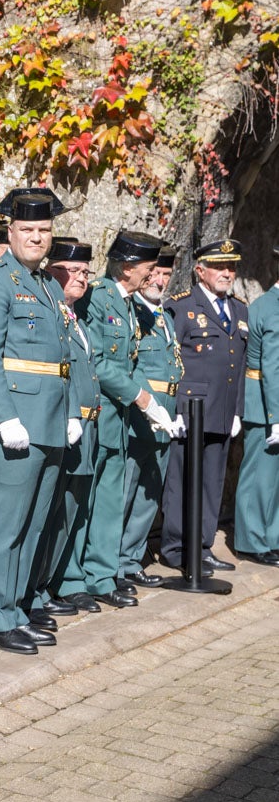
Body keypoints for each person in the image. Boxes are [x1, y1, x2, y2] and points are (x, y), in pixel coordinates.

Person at [0, 191, 76, 655]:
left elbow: (62, 356)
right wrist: (3, 417)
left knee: (32, 524)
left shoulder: (47, 285)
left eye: (44, 230)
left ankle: (15, 609)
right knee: (5, 524)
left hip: (47, 419)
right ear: (9, 232)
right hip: (12, 423)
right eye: (28, 230)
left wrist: (70, 413)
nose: (37, 237)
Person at [75, 230, 167, 608]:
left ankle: (101, 575)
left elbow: (129, 361)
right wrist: (143, 398)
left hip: (118, 420)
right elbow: (98, 361)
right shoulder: (98, 296)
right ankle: (79, 578)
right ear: (127, 267)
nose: (152, 275)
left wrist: (153, 403)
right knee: (88, 502)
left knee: (110, 501)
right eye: (147, 268)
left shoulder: (127, 302)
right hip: (97, 415)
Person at [160, 239, 249, 572]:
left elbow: (239, 366)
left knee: (212, 482)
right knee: (183, 481)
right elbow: (169, 359)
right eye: (220, 267)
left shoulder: (240, 309)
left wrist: (237, 409)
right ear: (200, 270)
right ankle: (175, 547)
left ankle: (203, 545)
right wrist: (174, 408)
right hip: (191, 410)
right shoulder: (181, 306)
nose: (227, 273)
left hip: (223, 410)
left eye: (232, 267)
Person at [33, 239, 101, 616]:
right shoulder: (50, 315)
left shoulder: (77, 317)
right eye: (71, 271)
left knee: (69, 512)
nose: (81, 279)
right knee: (49, 512)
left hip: (85, 426)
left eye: (85, 273)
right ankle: (34, 590)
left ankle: (47, 585)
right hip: (59, 424)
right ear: (51, 272)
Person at [117, 247, 184, 589]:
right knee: (127, 490)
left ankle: (131, 559)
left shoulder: (166, 316)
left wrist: (177, 409)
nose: (159, 280)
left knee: (149, 493)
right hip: (141, 413)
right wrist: (149, 405)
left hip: (166, 412)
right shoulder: (132, 312)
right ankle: (113, 562)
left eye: (166, 275)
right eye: (155, 273)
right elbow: (130, 366)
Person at [233, 245, 279, 566]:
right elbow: (273, 368)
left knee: (272, 479)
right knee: (259, 476)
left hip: (271, 404)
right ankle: (251, 540)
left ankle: (270, 537)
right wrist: (277, 417)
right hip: (265, 405)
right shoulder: (272, 308)